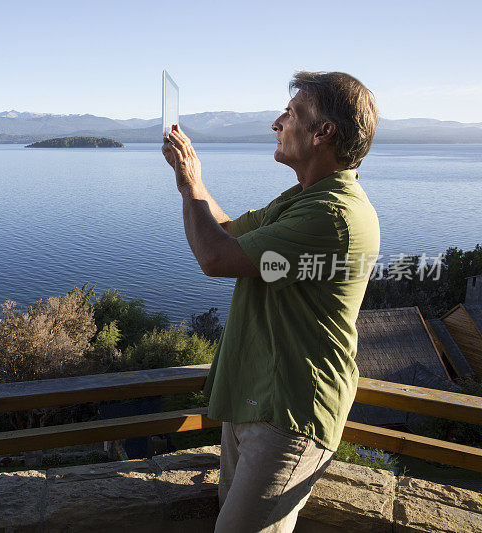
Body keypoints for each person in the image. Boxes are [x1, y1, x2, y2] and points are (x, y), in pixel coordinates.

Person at [162, 71, 380, 532]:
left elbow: (215, 257)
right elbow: (225, 232)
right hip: (256, 401)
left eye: (292, 114)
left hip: (289, 415)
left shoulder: (331, 215)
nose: (277, 123)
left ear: (324, 133)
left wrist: (188, 183)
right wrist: (193, 180)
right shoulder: (302, 199)